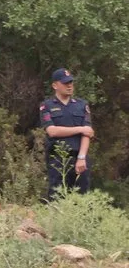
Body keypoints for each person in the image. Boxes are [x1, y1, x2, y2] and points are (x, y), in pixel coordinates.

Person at [40, 68, 93, 199]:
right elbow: (52, 131)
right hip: (58, 158)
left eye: (71, 82)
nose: (69, 86)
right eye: (65, 83)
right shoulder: (47, 106)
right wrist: (79, 129)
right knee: (57, 197)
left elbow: (88, 132)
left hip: (79, 157)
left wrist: (81, 157)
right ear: (55, 85)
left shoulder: (82, 105)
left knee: (81, 198)